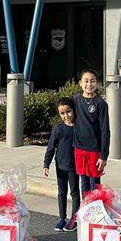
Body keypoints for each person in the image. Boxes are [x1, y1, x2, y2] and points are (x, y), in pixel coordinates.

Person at [43, 98, 80, 232]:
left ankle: (74, 219)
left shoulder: (79, 127)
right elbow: (51, 147)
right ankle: (62, 218)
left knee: (75, 193)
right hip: (60, 166)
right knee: (61, 192)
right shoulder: (58, 128)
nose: (66, 116)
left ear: (74, 110)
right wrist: (46, 164)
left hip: (74, 167)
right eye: (62, 113)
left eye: (68, 112)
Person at [73, 69, 110, 196]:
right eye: (86, 81)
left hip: (94, 151)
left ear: (97, 84)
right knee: (83, 183)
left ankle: (96, 212)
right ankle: (86, 210)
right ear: (80, 83)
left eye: (93, 81)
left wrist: (103, 155)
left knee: (94, 184)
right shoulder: (76, 100)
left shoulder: (101, 104)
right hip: (79, 149)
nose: (89, 84)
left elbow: (105, 130)